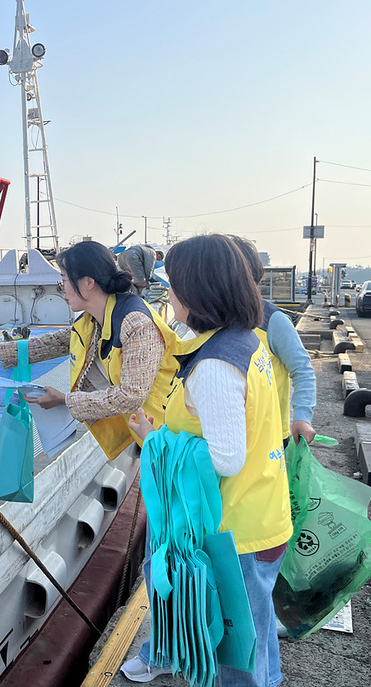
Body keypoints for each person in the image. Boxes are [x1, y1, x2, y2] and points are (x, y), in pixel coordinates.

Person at [123, 234, 291, 686]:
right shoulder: (244, 340)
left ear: (197, 291)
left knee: (234, 656)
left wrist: (156, 441)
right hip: (262, 514)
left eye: (173, 284)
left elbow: (227, 457)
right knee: (257, 637)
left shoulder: (214, 364)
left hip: (233, 532)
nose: (168, 294)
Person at [0, 240, 180, 458]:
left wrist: (64, 400)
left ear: (87, 282)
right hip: (152, 437)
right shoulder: (94, 320)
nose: (61, 288)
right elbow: (45, 345)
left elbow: (130, 395)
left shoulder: (135, 323)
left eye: (63, 280)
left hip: (173, 440)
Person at [228, 234, 317, 445]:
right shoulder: (211, 320)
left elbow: (302, 368)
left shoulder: (273, 320)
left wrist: (302, 417)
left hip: (271, 436)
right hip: (229, 435)